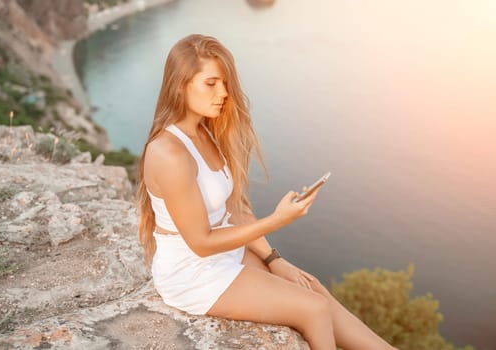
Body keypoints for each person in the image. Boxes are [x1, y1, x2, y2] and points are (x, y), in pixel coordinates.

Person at [137, 34, 397, 350]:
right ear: (180, 85)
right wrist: (277, 220)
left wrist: (275, 258)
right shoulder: (169, 153)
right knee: (312, 310)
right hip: (192, 274)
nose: (224, 93)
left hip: (225, 255)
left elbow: (234, 210)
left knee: (312, 288)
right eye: (212, 84)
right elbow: (201, 243)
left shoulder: (206, 132)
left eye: (225, 83)